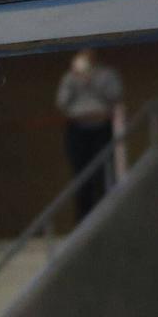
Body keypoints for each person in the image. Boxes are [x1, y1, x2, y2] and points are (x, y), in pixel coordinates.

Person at [54, 50, 123, 221]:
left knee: (103, 176)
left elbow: (115, 95)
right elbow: (62, 102)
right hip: (78, 129)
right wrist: (75, 79)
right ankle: (83, 221)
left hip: (101, 127)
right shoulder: (69, 77)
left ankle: (106, 219)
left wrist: (92, 81)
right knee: (81, 178)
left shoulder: (106, 74)